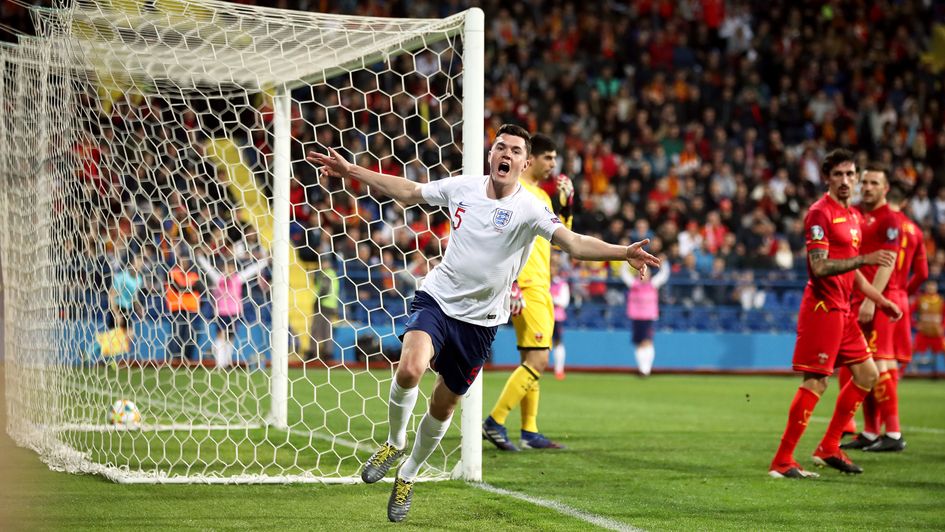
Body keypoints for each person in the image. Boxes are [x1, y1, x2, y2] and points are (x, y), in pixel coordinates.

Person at [307, 124, 660, 522]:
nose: (505, 154)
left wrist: (622, 251)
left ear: (524, 163)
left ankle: (408, 474)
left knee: (444, 403)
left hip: (480, 322)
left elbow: (575, 243)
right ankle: (394, 442)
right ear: (491, 155)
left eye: (514, 150)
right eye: (499, 147)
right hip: (438, 300)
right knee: (410, 368)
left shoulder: (531, 208)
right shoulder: (464, 187)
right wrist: (351, 170)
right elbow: (407, 190)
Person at [768, 149, 902, 479]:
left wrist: (879, 299)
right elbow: (820, 266)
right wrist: (864, 259)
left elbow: (852, 273)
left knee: (868, 376)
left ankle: (829, 446)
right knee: (816, 380)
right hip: (822, 308)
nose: (846, 181)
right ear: (827, 177)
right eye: (839, 175)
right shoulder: (819, 214)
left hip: (843, 311)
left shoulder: (853, 216)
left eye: (850, 175)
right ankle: (783, 461)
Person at [482, 133, 574, 451]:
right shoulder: (517, 193)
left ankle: (530, 431)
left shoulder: (542, 197)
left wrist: (566, 207)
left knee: (530, 358)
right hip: (528, 286)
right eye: (549, 158)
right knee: (538, 359)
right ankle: (495, 421)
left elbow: (561, 238)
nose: (553, 164)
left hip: (538, 284)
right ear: (531, 160)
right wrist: (514, 283)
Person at [842, 177, 926, 452]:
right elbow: (923, 273)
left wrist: (879, 296)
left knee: (880, 364)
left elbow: (885, 263)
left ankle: (891, 431)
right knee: (871, 364)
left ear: (888, 192)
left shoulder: (884, 222)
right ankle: (871, 431)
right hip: (893, 294)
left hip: (879, 296)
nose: (866, 187)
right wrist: (905, 293)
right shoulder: (914, 229)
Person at [195, 252, 269, 369]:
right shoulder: (218, 278)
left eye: (231, 267)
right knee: (220, 335)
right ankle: (220, 363)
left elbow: (251, 270)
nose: (229, 270)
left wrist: (264, 261)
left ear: (234, 269)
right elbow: (208, 269)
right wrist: (199, 257)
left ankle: (227, 362)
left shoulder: (238, 279)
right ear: (223, 268)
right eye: (227, 267)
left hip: (234, 312)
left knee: (231, 337)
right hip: (221, 312)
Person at [620, 254, 669, 377]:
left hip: (648, 317)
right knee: (638, 343)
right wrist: (628, 260)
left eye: (646, 273)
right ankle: (642, 368)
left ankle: (645, 369)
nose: (644, 275)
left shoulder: (653, 285)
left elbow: (664, 275)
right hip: (636, 316)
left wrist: (663, 263)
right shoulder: (634, 285)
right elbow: (623, 273)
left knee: (647, 342)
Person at [165, 252, 204, 365]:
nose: (184, 263)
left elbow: (202, 289)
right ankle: (174, 360)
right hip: (177, 309)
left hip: (192, 309)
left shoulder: (193, 275)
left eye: (186, 261)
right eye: (182, 260)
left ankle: (186, 360)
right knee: (177, 335)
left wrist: (188, 288)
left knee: (189, 335)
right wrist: (192, 287)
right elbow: (178, 288)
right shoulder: (172, 274)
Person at [912, 280, 945, 376]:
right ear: (926, 287)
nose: (931, 288)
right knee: (912, 350)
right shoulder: (920, 299)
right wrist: (915, 324)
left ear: (936, 288)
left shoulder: (941, 301)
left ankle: (937, 372)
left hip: (936, 332)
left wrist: (942, 327)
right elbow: (910, 313)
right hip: (923, 331)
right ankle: (905, 371)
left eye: (933, 286)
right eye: (929, 286)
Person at [549, 253, 570, 380]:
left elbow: (564, 302)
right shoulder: (541, 282)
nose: (552, 268)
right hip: (542, 315)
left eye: (554, 266)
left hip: (556, 317)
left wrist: (550, 298)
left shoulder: (562, 284)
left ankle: (559, 370)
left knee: (558, 342)